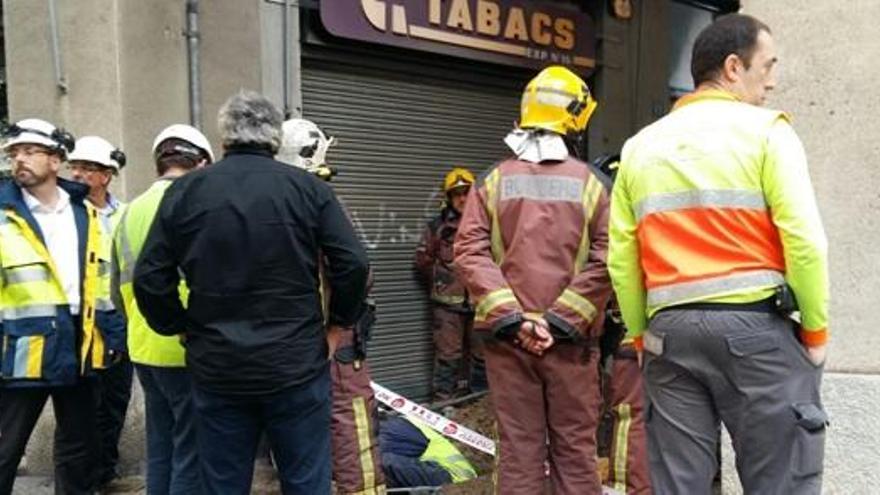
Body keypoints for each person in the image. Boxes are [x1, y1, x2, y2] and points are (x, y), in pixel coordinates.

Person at [608, 14, 829, 494]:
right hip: (758, 334)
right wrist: (815, 329)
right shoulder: (767, 132)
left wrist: (643, 337)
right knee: (781, 481)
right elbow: (805, 240)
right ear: (734, 66)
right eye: (766, 65)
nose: (772, 80)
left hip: (669, 336)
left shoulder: (640, 147)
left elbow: (621, 260)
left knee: (677, 484)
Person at [133, 91, 369, 494]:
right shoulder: (308, 190)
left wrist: (179, 326)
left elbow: (150, 278)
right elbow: (353, 263)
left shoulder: (186, 192)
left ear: (223, 139)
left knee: (223, 484)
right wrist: (337, 327)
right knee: (306, 480)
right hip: (296, 366)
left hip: (218, 368)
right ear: (274, 139)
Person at [454, 66, 612, 495]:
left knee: (520, 453)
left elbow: (469, 252)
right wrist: (559, 322)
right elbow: (609, 258)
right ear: (574, 117)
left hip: (507, 343)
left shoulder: (492, 181)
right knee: (576, 453)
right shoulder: (595, 185)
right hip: (572, 346)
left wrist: (515, 321)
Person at [0, 118, 126, 494]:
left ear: (55, 161)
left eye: (29, 152)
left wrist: (113, 335)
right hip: (21, 348)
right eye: (14, 153)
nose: (18, 160)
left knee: (79, 450)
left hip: (80, 343)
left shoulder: (84, 214)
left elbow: (102, 281)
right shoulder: (4, 215)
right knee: (6, 448)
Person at [277, 118, 386, 495]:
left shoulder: (269, 204)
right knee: (352, 421)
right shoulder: (320, 201)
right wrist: (340, 326)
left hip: (285, 344)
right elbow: (356, 269)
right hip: (332, 342)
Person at [110, 124, 214, 494]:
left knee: (161, 445)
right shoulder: (196, 203)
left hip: (143, 344)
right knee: (192, 450)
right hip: (187, 347)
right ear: (201, 163)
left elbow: (115, 287)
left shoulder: (128, 211)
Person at [67, 134, 132, 487]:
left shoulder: (125, 214)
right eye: (74, 167)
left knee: (114, 399)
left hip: (118, 319)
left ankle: (105, 472)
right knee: (84, 404)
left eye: (86, 168)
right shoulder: (68, 214)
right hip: (83, 320)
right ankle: (86, 475)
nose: (76, 174)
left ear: (106, 175)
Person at [415, 167, 486, 401]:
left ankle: (480, 404)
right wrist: (443, 285)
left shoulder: (487, 225)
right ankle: (444, 404)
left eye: (467, 192)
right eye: (457, 194)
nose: (463, 199)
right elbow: (423, 262)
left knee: (482, 356)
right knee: (448, 356)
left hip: (481, 304)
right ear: (449, 198)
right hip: (446, 307)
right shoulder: (438, 227)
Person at [378, 415, 477, 489]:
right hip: (438, 475)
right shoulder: (391, 424)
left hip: (452, 480)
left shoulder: (391, 429)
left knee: (380, 461)